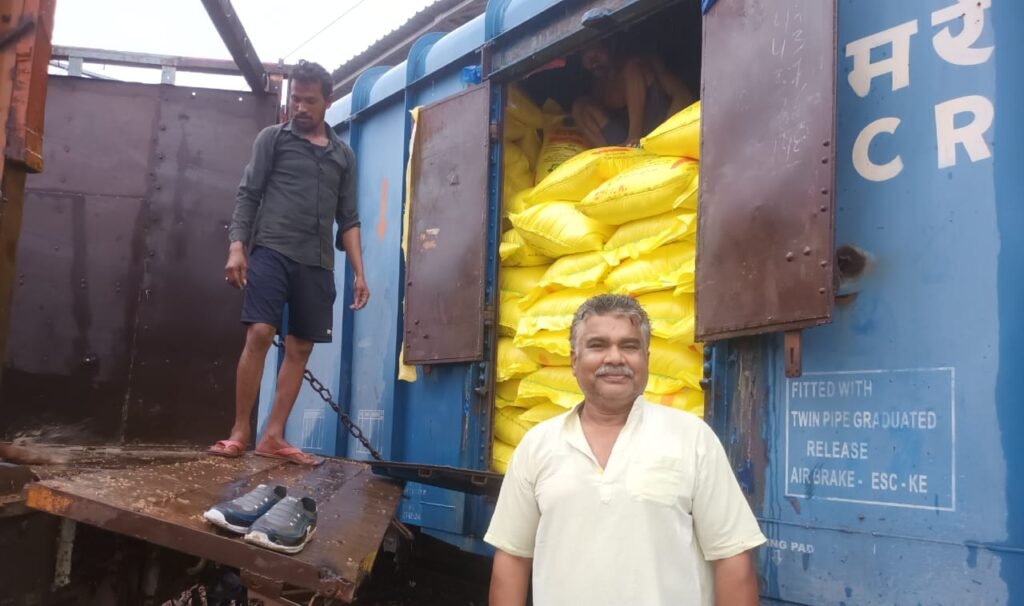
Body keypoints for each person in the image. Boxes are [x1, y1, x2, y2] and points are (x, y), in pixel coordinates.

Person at [485, 294, 765, 606]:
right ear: (574, 360)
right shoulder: (537, 445)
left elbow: (731, 559)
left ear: (646, 358)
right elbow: (512, 558)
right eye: (598, 346)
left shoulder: (692, 438)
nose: (615, 358)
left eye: (629, 346)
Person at [208, 60, 369, 466]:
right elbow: (248, 193)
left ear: (327, 101)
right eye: (295, 99)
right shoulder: (273, 140)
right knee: (260, 332)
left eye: (309, 100)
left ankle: (273, 435)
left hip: (317, 262)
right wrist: (237, 246)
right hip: (272, 249)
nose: (300, 107)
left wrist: (359, 273)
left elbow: (349, 218)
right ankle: (239, 430)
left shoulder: (343, 156)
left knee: (300, 346)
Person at [571, 42, 696, 147]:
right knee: (580, 107)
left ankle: (634, 138)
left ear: (611, 46)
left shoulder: (643, 63)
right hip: (625, 147)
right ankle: (608, 154)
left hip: (659, 132)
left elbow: (683, 96)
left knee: (633, 68)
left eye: (597, 52)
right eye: (586, 56)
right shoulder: (599, 87)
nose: (593, 61)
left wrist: (664, 133)